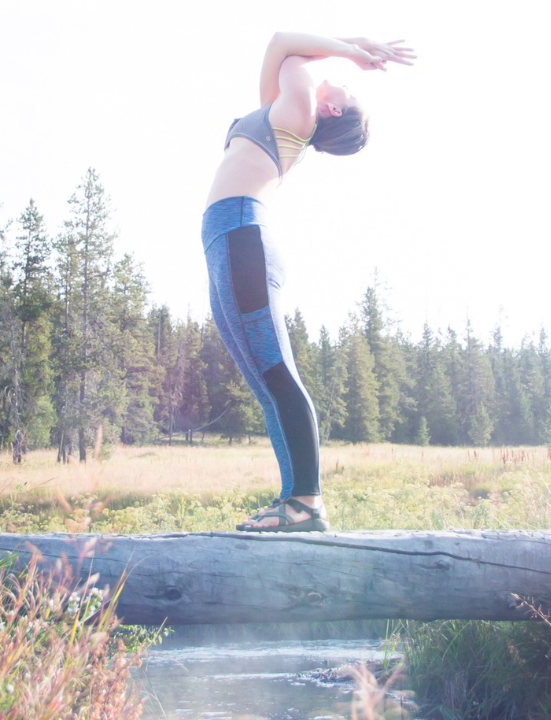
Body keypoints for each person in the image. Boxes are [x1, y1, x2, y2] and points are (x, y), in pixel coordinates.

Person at [202, 32, 414, 532]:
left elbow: (284, 45)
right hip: (225, 240)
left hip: (241, 236)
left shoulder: (299, 109)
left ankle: (307, 503)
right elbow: (278, 53)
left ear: (335, 112)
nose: (342, 83)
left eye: (349, 91)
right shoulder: (284, 111)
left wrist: (352, 49)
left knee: (277, 372)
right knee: (264, 380)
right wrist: (353, 46)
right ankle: (291, 501)